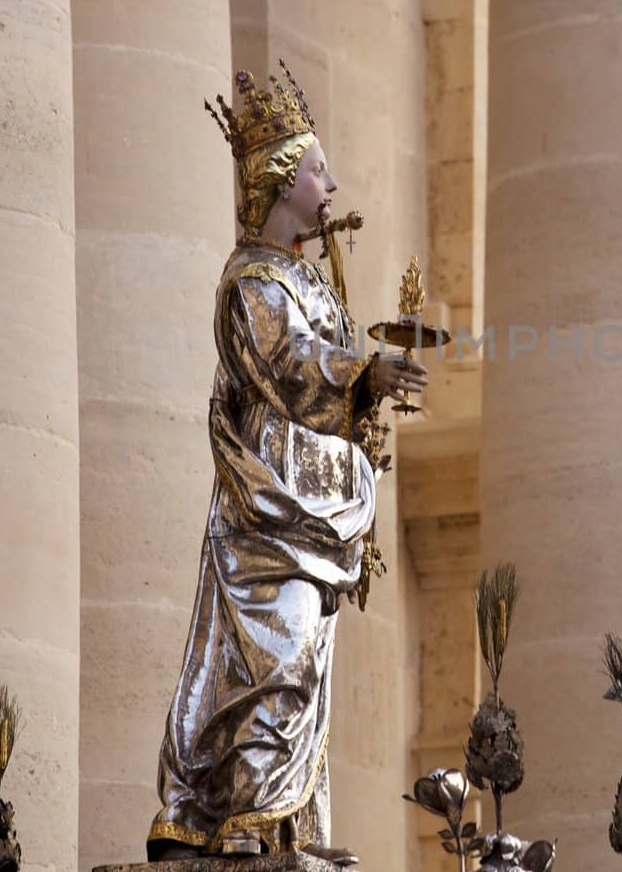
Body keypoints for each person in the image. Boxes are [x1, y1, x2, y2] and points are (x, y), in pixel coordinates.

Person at [147, 67, 427, 861]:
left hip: (316, 505)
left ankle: (286, 824)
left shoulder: (306, 277)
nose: (331, 182)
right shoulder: (251, 283)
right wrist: (360, 376)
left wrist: (371, 398)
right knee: (279, 650)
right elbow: (291, 365)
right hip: (270, 508)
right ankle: (247, 818)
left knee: (304, 666)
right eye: (315, 168)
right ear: (279, 179)